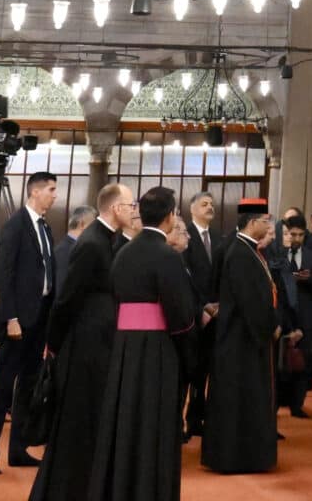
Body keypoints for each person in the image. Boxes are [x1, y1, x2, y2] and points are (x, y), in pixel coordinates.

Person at [88, 188, 202, 501]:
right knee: (154, 425)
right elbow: (181, 316)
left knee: (124, 421)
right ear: (170, 216)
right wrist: (190, 359)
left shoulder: (124, 251)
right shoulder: (167, 255)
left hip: (125, 347)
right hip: (157, 349)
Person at [31, 184, 132, 501]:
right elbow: (67, 298)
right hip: (84, 346)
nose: (133, 210)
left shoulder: (107, 240)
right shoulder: (92, 243)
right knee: (78, 423)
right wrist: (55, 344)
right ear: (115, 208)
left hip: (97, 342)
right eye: (130, 205)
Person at [0, 171, 60, 474]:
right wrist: (11, 317)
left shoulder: (45, 227)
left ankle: (18, 449)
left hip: (39, 317)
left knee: (28, 385)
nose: (55, 195)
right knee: (3, 386)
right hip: (18, 320)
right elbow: (5, 273)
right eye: (51, 189)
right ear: (35, 192)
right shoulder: (15, 225)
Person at [203, 202, 282, 474]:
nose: (270, 226)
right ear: (252, 222)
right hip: (241, 341)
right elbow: (251, 301)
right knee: (238, 400)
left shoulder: (249, 250)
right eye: (266, 220)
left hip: (246, 339)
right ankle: (237, 458)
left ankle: (250, 455)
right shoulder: (239, 252)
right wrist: (270, 326)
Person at [181, 193, 222, 441]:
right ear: (192, 208)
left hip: (216, 313)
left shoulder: (218, 237)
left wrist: (217, 306)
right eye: (204, 204)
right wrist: (202, 308)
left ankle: (199, 417)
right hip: (194, 313)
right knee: (190, 369)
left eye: (212, 204)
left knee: (207, 369)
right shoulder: (184, 234)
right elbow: (185, 278)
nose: (210, 208)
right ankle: (184, 420)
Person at [278, 217, 312, 418]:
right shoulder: (279, 254)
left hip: (306, 315)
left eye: (301, 235)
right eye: (293, 234)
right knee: (282, 363)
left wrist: (309, 279)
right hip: (284, 317)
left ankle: (297, 405)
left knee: (303, 363)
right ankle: (280, 401)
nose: (296, 238)